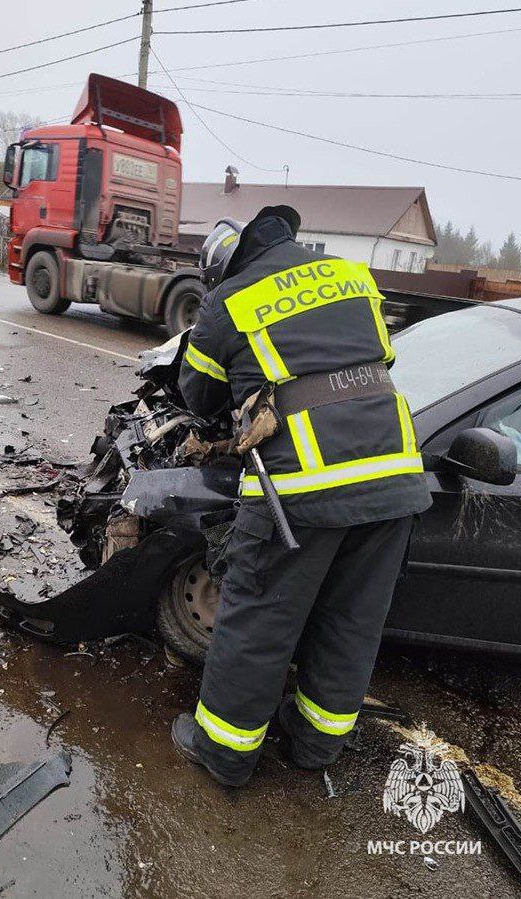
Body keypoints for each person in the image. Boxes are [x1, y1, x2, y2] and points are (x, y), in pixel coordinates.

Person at [171, 205, 431, 787]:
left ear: (223, 269)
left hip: (300, 490)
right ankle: (314, 746)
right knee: (351, 621)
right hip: (394, 476)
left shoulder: (229, 301)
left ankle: (225, 753)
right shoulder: (350, 274)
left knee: (260, 619)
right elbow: (377, 360)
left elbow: (198, 395)